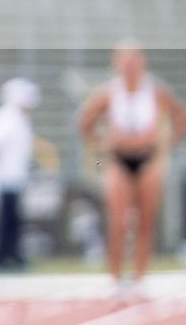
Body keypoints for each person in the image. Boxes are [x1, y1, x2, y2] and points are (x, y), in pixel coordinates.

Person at [78, 41, 186, 299]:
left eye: (134, 61)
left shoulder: (156, 91)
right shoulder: (108, 93)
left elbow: (179, 117)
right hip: (118, 159)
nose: (130, 67)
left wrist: (166, 142)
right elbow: (85, 121)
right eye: (124, 61)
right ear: (117, 64)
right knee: (118, 222)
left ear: (142, 63)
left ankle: (138, 278)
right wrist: (100, 142)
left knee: (145, 220)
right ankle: (115, 279)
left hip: (148, 158)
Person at [0, 77, 38, 271]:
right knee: (5, 221)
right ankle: (2, 257)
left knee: (14, 220)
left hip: (15, 177)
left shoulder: (19, 118)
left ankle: (14, 256)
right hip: (4, 178)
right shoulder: (5, 118)